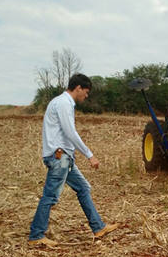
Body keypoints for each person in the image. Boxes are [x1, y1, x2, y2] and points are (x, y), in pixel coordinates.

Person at [28, 73, 119, 247]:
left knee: (83, 187)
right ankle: (36, 235)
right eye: (86, 91)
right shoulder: (63, 103)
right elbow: (70, 132)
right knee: (51, 195)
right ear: (78, 88)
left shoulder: (61, 102)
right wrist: (89, 154)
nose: (86, 95)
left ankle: (98, 227)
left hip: (64, 158)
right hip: (60, 158)